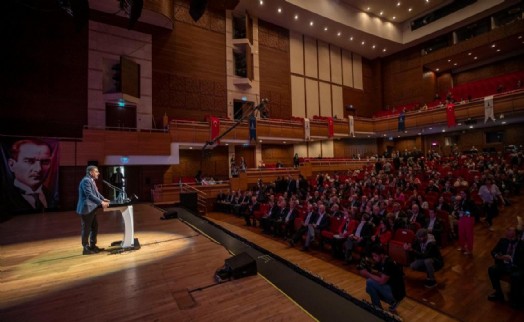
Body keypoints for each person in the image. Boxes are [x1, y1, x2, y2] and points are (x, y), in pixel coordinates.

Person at [6, 139, 57, 213]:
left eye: (45, 162)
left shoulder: (52, 196)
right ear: (12, 165)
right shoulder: (5, 196)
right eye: (29, 161)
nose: (38, 169)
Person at [359, 245, 405, 314]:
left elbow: (381, 281)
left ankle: (378, 308)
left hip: (396, 293)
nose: (374, 258)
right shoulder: (384, 261)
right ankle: (391, 302)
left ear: (382, 255)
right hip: (393, 288)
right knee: (368, 289)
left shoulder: (389, 263)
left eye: (375, 256)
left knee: (370, 282)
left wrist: (367, 274)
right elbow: (383, 274)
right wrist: (370, 271)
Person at [76, 165, 110, 255]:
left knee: (94, 227)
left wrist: (103, 199)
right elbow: (89, 195)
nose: (98, 173)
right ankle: (85, 248)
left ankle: (93, 246)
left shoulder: (91, 180)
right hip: (86, 208)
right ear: (91, 172)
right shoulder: (86, 181)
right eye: (96, 171)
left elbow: (96, 193)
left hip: (92, 208)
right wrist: (101, 203)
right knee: (86, 228)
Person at [487, 227, 524, 307]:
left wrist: (515, 262)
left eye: (509, 230)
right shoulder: (503, 241)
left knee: (515, 276)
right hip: (504, 265)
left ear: (515, 234)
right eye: (507, 229)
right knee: (492, 270)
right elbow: (493, 252)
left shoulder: (521, 244)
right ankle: (498, 293)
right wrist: (501, 257)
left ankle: (516, 298)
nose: (506, 231)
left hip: (517, 267)